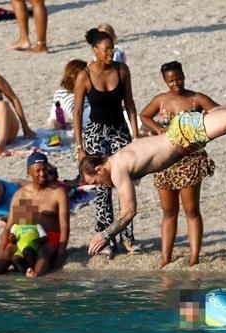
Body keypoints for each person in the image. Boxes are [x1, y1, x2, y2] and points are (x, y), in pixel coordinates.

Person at [80, 78, 226, 256]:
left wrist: (105, 234)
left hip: (184, 135)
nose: (100, 186)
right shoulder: (120, 157)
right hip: (181, 132)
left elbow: (128, 212)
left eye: (95, 182)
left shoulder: (117, 168)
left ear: (100, 169)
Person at [140, 61, 219, 267]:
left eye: (179, 79)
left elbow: (219, 113)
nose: (176, 84)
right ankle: (165, 258)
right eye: (171, 81)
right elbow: (144, 115)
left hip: (189, 161)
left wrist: (202, 128)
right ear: (165, 81)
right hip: (164, 162)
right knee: (168, 212)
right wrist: (158, 129)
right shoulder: (162, 100)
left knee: (191, 210)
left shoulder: (195, 99)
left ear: (184, 75)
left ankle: (194, 257)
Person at [73, 28, 141, 259]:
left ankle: (128, 237)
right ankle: (105, 238)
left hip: (119, 130)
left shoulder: (122, 71)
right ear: (95, 51)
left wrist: (136, 134)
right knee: (102, 187)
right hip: (95, 132)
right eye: (106, 49)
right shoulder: (84, 75)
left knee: (125, 183)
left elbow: (130, 103)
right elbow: (78, 112)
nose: (111, 53)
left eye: (112, 48)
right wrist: (80, 146)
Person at [0, 152, 69, 277]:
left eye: (44, 169)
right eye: (37, 171)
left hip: (49, 238)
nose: (42, 174)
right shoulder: (21, 194)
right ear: (29, 171)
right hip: (24, 238)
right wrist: (1, 255)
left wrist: (61, 253)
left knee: (43, 252)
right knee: (9, 251)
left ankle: (34, 276)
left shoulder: (58, 192)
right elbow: (9, 227)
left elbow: (64, 226)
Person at [6, 199, 47, 276]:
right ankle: (25, 272)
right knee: (14, 259)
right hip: (20, 249)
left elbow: (44, 237)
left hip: (32, 247)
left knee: (27, 251)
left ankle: (30, 268)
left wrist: (38, 240)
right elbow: (11, 237)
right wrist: (12, 238)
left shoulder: (37, 226)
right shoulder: (15, 226)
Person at [47, 59, 90, 129]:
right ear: (73, 76)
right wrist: (55, 123)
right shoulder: (61, 94)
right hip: (82, 120)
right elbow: (53, 117)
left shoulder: (90, 90)